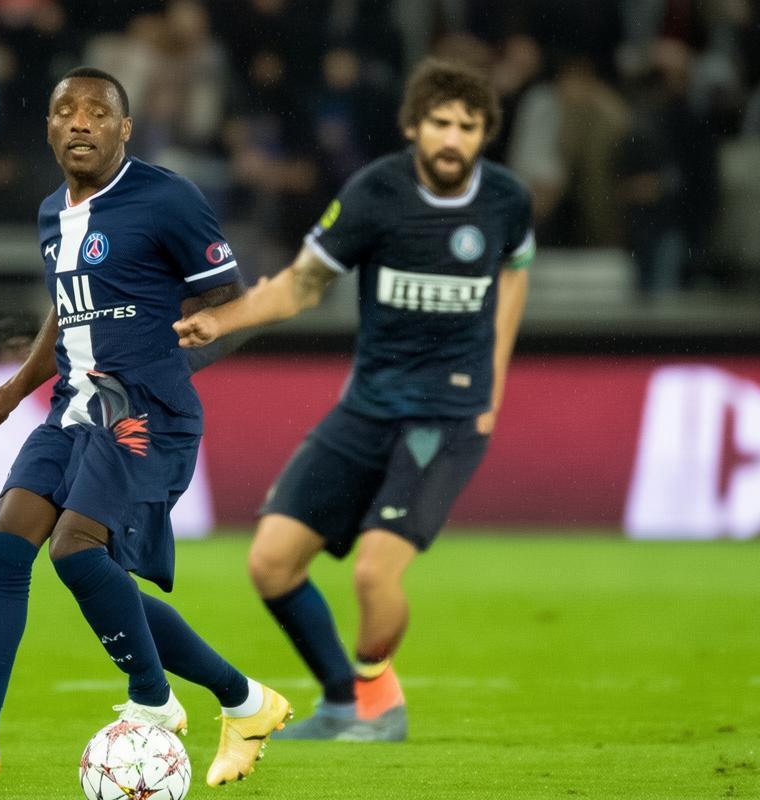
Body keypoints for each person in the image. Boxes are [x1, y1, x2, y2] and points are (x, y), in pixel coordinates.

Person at [0, 66, 291, 791]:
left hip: (143, 413)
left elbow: (232, 299)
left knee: (74, 550)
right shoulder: (52, 214)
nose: (80, 122)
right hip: (73, 407)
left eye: (98, 112)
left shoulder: (166, 198)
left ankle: (156, 700)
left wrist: (182, 351)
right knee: (7, 543)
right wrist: (14, 388)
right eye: (66, 110)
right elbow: (66, 311)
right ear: (49, 128)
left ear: (124, 128)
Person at [174, 58, 534, 741]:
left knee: (374, 573)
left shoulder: (506, 200)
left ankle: (379, 702)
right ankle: (343, 702)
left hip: (447, 417)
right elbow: (302, 286)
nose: (453, 139)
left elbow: (515, 271)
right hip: (368, 406)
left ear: (485, 135)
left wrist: (494, 380)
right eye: (440, 123)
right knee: (271, 562)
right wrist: (222, 320)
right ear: (413, 126)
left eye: (468, 127)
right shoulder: (375, 192)